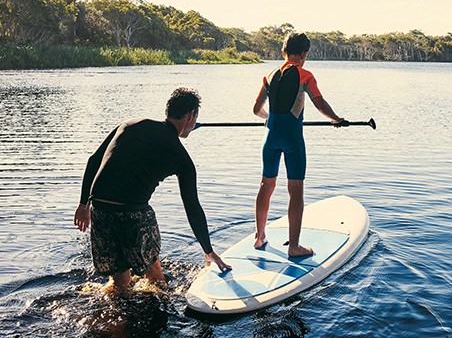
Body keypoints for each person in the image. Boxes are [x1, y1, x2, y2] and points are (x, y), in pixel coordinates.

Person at [73, 87, 231, 290]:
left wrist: (84, 203)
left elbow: (94, 160)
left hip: (100, 210)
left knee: (120, 282)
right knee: (154, 273)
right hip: (132, 213)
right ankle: (162, 299)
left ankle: (119, 312)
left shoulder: (131, 124)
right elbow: (192, 207)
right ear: (191, 115)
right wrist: (208, 251)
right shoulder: (181, 158)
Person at [253, 32, 347, 257]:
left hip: (270, 138)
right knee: (295, 191)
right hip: (293, 140)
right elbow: (320, 103)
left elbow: (256, 110)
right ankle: (294, 247)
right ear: (304, 54)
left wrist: (268, 118)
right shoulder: (305, 76)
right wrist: (336, 119)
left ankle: (259, 237)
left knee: (266, 186)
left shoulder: (269, 75)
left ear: (283, 51)